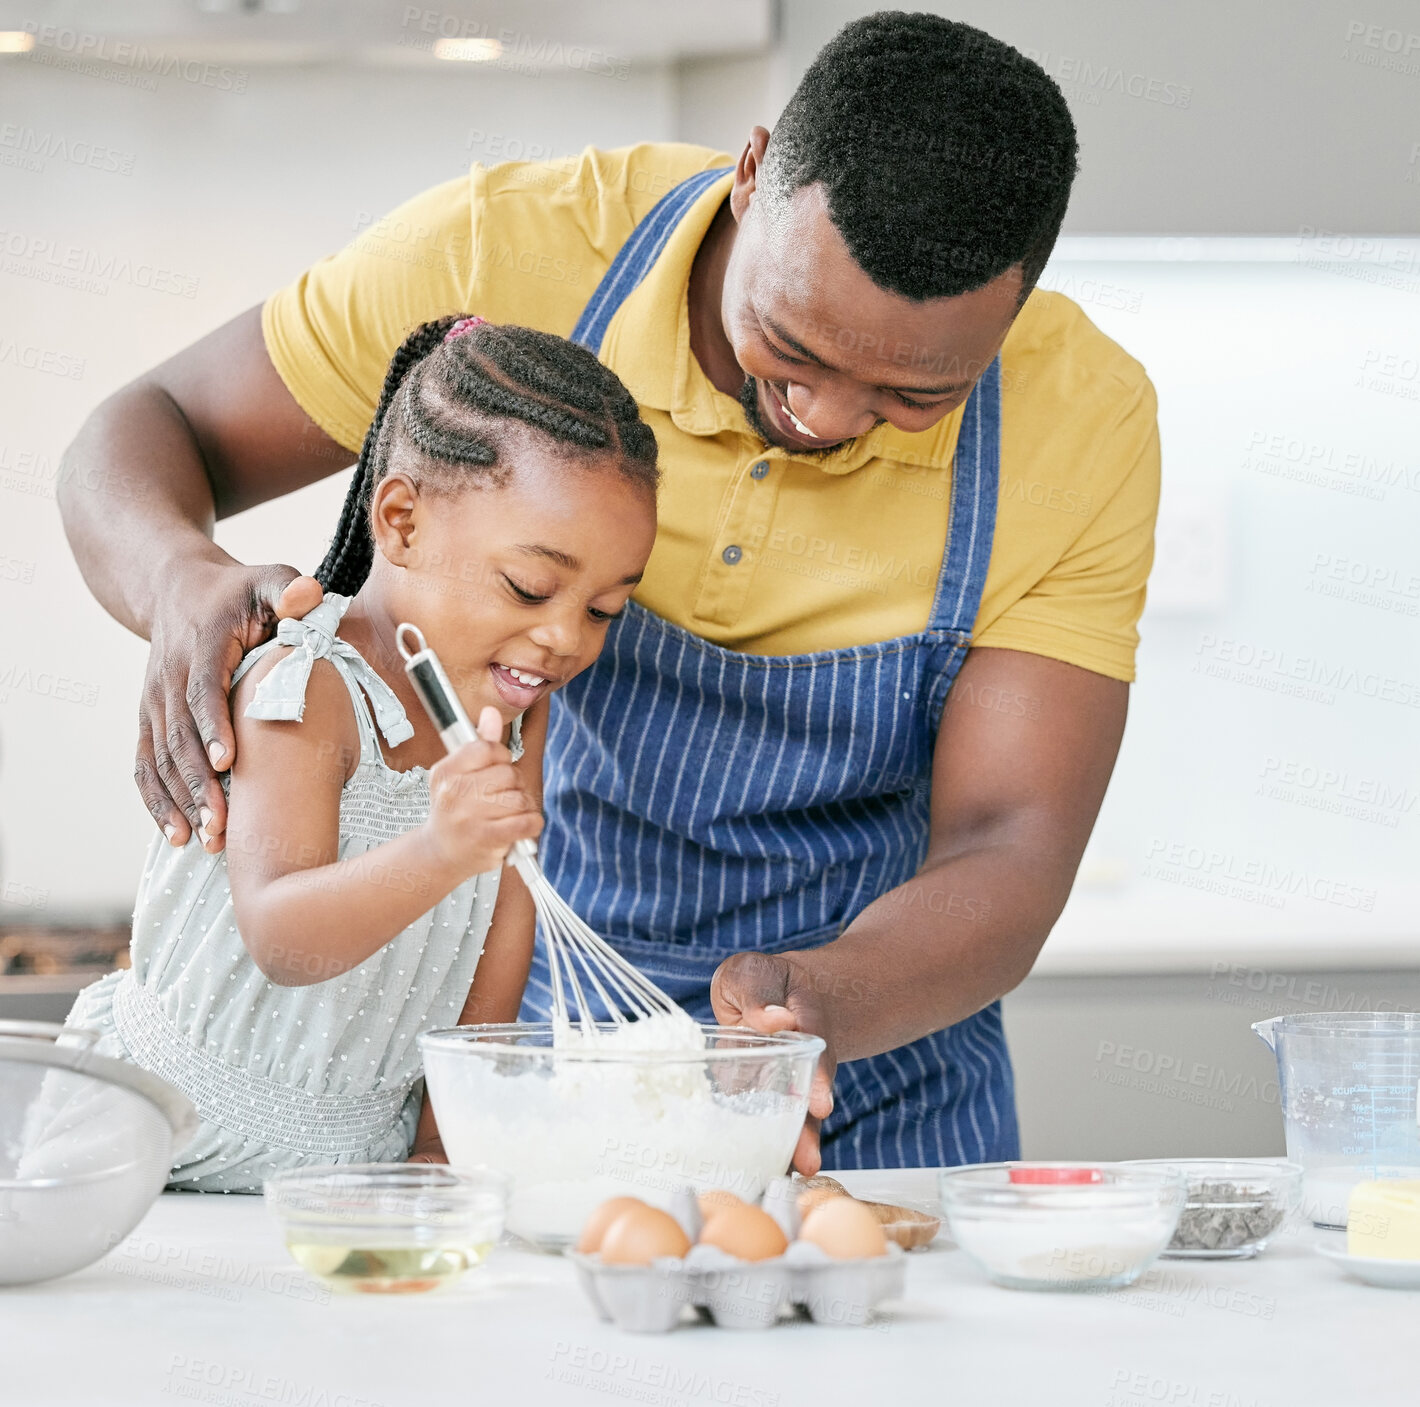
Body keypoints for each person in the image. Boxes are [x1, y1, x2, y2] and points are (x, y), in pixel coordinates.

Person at [59, 13, 1159, 1173]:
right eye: (790, 347)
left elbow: (1009, 842)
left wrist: (813, 1008)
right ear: (748, 176)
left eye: (911, 397)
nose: (827, 419)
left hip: (867, 1086)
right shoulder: (510, 246)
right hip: (534, 1069)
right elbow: (147, 431)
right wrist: (178, 579)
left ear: (1017, 308)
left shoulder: (1080, 420)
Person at [60, 317, 659, 1190]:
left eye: (605, 608)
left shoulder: (515, 711)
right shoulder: (306, 685)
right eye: (529, 587)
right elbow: (280, 935)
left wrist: (440, 1141)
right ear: (403, 520)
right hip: (150, 1143)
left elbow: (506, 917)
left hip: (352, 1167)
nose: (566, 636)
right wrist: (440, 850)